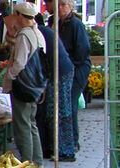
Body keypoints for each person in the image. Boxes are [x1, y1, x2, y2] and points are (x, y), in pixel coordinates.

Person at [46, 0, 91, 155]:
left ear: (71, 7)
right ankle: (64, 142)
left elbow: (83, 49)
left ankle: (73, 142)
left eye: (63, 5)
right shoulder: (54, 22)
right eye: (58, 5)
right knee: (63, 105)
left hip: (76, 69)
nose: (60, 8)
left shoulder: (75, 24)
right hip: (62, 68)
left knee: (69, 104)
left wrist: (70, 64)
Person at [4, 2, 46, 165]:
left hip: (24, 85)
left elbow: (20, 63)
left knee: (22, 126)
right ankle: (37, 161)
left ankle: (27, 162)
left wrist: (9, 76)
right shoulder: (37, 33)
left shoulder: (24, 35)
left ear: (20, 16)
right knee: (31, 124)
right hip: (36, 85)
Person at [32, 24, 74, 162]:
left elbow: (40, 59)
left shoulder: (37, 33)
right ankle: (56, 148)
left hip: (60, 72)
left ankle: (66, 151)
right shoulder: (42, 31)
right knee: (55, 111)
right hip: (59, 71)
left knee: (60, 112)